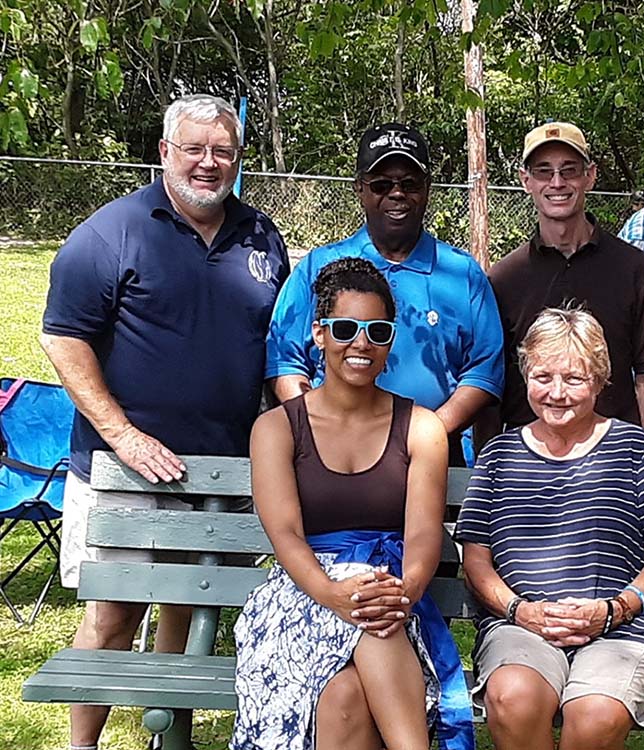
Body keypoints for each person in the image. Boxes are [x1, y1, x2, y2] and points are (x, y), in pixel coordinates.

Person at [40, 94, 289, 750]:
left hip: (222, 467)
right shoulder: (110, 232)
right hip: (125, 469)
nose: (209, 164)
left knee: (191, 607)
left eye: (223, 152)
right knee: (113, 614)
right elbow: (64, 340)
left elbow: (275, 350)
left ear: (238, 159)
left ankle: (165, 739)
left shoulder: (262, 236)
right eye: (195, 149)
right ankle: (82, 746)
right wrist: (123, 435)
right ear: (165, 153)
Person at [233, 258, 473, 750]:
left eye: (377, 330)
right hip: (302, 594)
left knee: (350, 682)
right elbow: (286, 535)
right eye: (345, 328)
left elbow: (424, 533)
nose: (361, 343)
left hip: (394, 591)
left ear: (391, 339)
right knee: (363, 636)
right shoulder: (277, 429)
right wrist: (334, 593)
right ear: (319, 335)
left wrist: (400, 593)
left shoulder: (422, 428)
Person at [455, 307, 644, 750]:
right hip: (521, 626)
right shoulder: (500, 456)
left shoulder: (636, 448)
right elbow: (476, 559)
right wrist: (520, 611)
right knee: (512, 699)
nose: (557, 393)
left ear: (601, 380)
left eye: (575, 379)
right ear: (526, 375)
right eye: (543, 377)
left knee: (594, 714)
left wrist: (613, 610)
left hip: (626, 629)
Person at [266, 123, 504, 465]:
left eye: (410, 184)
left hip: (435, 458)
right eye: (381, 184)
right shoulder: (319, 268)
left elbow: (484, 370)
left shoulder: (462, 273)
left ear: (427, 189)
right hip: (332, 454)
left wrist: (428, 433)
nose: (396, 194)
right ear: (360, 189)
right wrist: (320, 428)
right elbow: (284, 360)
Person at [486, 122, 644, 441]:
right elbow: (490, 382)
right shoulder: (503, 279)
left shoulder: (635, 269)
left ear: (590, 175)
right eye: (544, 171)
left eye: (569, 170)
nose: (557, 183)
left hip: (610, 459)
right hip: (529, 462)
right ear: (526, 181)